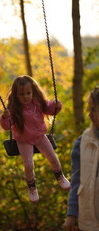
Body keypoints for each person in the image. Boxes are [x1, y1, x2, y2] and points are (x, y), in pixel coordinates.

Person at [0, 75, 71, 203]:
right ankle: (32, 188)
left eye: (28, 93)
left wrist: (56, 106)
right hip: (23, 140)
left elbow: (51, 110)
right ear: (16, 95)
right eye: (22, 94)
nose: (26, 96)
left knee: (53, 157)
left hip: (39, 136)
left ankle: (60, 176)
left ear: (33, 92)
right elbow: (6, 126)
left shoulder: (38, 103)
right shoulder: (13, 110)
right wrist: (5, 117)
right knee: (28, 165)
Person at [63, 86, 99, 231]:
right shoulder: (81, 142)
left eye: (93, 109)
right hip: (88, 224)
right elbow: (76, 181)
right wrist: (71, 216)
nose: (89, 114)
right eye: (88, 109)